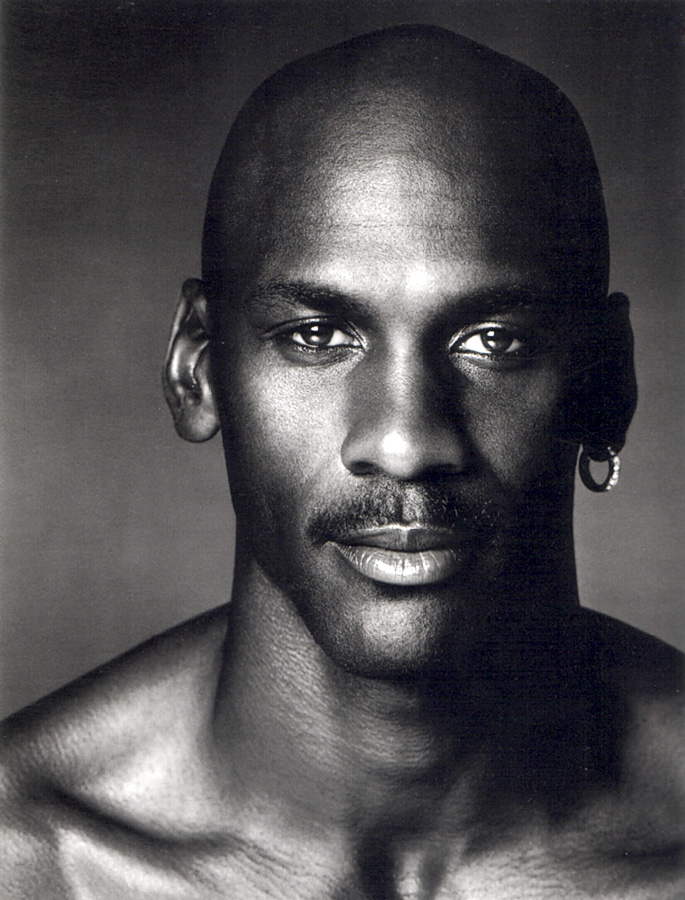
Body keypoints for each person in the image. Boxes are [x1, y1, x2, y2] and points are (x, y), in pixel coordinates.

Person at [1, 24, 682, 899]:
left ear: (605, 381)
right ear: (198, 369)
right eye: (316, 335)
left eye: (493, 340)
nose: (405, 441)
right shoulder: (31, 859)